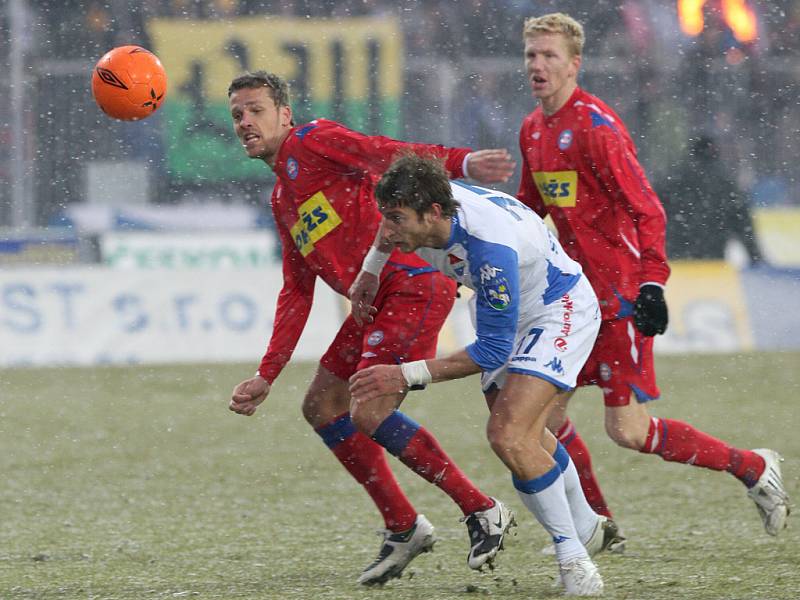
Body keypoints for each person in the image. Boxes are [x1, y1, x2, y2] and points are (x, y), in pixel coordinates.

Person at [226, 71, 518, 586]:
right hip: (372, 305)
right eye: (237, 115)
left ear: (285, 115)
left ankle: (481, 507)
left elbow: (389, 153)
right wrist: (266, 374)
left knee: (370, 409)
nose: (245, 122)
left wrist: (463, 163)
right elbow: (297, 289)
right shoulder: (281, 199)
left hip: (412, 285)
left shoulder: (311, 141)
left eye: (255, 110)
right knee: (321, 406)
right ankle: (404, 527)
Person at [515, 12, 788, 537]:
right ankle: (598, 525)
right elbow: (529, 210)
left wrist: (650, 283)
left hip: (616, 299)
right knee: (542, 419)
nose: (538, 65)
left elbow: (648, 210)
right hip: (572, 301)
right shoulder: (532, 129)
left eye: (549, 55)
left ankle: (753, 467)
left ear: (575, 64)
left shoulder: (598, 128)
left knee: (629, 430)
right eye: (531, 55)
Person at [349, 154, 618, 596]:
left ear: (433, 214)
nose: (389, 229)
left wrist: (404, 375)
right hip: (507, 308)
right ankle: (586, 524)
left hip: (556, 309)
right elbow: (389, 222)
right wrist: (370, 271)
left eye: (397, 220)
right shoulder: (427, 204)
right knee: (523, 436)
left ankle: (576, 563)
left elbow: (491, 348)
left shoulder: (488, 247)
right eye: (388, 217)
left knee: (509, 435)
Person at [658, 135, 764, 263]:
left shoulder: (672, 179)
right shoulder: (726, 183)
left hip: (676, 257)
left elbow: (653, 214)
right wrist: (755, 256)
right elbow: (742, 221)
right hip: (712, 258)